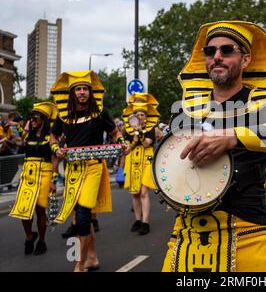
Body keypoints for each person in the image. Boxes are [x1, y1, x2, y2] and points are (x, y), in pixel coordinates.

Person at [161, 21, 266, 272]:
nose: (217, 57)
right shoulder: (186, 110)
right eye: (210, 52)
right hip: (187, 233)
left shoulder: (263, 104)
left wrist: (232, 137)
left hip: (247, 232)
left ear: (245, 59)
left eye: (227, 50)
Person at [49, 70, 129, 272]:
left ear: (90, 92)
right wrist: (55, 148)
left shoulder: (100, 113)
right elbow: (53, 138)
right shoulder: (63, 116)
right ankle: (91, 258)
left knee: (83, 216)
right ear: (72, 93)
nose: (82, 92)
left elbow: (115, 132)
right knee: (79, 217)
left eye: (85, 89)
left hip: (94, 167)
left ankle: (79, 264)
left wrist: (122, 143)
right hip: (72, 171)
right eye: (78, 89)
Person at [9, 102, 58, 255]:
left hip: (45, 173)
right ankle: (30, 236)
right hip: (29, 174)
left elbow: (55, 158)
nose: (32, 119)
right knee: (24, 208)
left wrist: (53, 180)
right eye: (31, 117)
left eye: (35, 117)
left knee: (40, 209)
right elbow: (14, 139)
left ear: (43, 119)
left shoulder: (51, 136)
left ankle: (42, 241)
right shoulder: (27, 135)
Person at [122, 101, 159, 235]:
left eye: (142, 114)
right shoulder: (128, 131)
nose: (140, 117)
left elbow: (145, 144)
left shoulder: (150, 129)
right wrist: (130, 141)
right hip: (132, 161)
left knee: (144, 192)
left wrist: (139, 134)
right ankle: (137, 220)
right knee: (135, 192)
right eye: (137, 115)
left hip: (145, 161)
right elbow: (127, 148)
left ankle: (145, 222)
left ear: (146, 117)